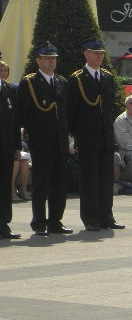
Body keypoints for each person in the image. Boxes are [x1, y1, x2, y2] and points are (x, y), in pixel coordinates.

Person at [67, 38, 122, 232]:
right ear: (86, 54)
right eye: (95, 53)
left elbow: (109, 109)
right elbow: (71, 112)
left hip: (105, 136)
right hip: (87, 136)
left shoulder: (107, 77)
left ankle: (107, 216)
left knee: (106, 179)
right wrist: (77, 136)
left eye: (101, 54)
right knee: (89, 179)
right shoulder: (77, 79)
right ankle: (90, 218)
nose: (99, 56)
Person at [17, 42, 71, 236]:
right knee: (42, 183)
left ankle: (55, 220)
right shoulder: (30, 83)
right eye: (47, 58)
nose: (51, 61)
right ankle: (39, 221)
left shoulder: (62, 82)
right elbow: (23, 113)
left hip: (60, 141)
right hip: (41, 141)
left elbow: (66, 113)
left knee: (59, 183)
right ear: (38, 60)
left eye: (54, 58)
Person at [0, 59, 21, 239]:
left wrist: (17, 146)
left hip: (6, 146)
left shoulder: (10, 90)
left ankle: (4, 225)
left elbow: (15, 121)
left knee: (5, 187)